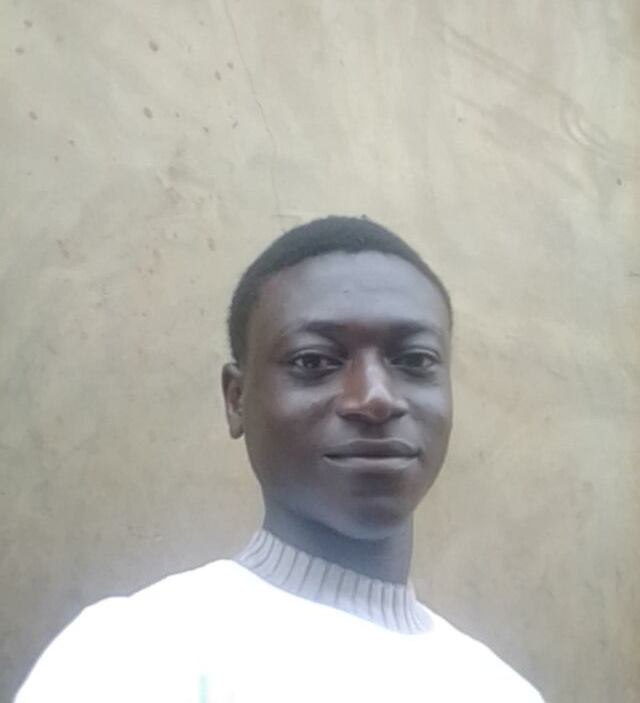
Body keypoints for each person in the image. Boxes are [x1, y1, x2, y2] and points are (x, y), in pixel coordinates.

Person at [16, 216, 544, 702]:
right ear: (236, 400)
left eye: (415, 360)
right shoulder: (131, 656)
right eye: (313, 361)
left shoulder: (502, 691)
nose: (376, 397)